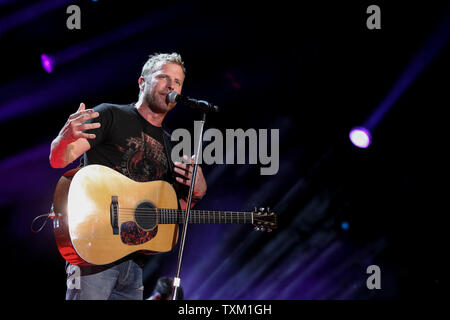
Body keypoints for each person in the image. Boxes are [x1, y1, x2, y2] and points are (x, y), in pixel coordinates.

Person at [49, 52, 207, 300]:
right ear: (142, 82)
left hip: (134, 266)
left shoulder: (170, 146)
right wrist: (63, 138)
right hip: (93, 255)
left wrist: (198, 191)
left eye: (177, 82)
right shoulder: (111, 115)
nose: (171, 86)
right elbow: (59, 159)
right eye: (164, 77)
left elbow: (174, 213)